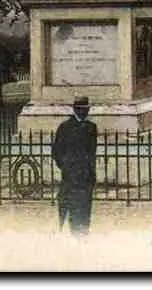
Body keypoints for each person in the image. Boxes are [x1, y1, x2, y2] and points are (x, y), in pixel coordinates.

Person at [51, 96, 98, 235]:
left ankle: (83, 234)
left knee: (85, 209)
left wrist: (90, 171)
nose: (84, 112)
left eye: (86, 109)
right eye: (81, 109)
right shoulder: (65, 127)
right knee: (70, 208)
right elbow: (57, 151)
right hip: (70, 176)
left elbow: (92, 152)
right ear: (75, 110)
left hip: (86, 176)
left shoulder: (91, 127)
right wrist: (66, 167)